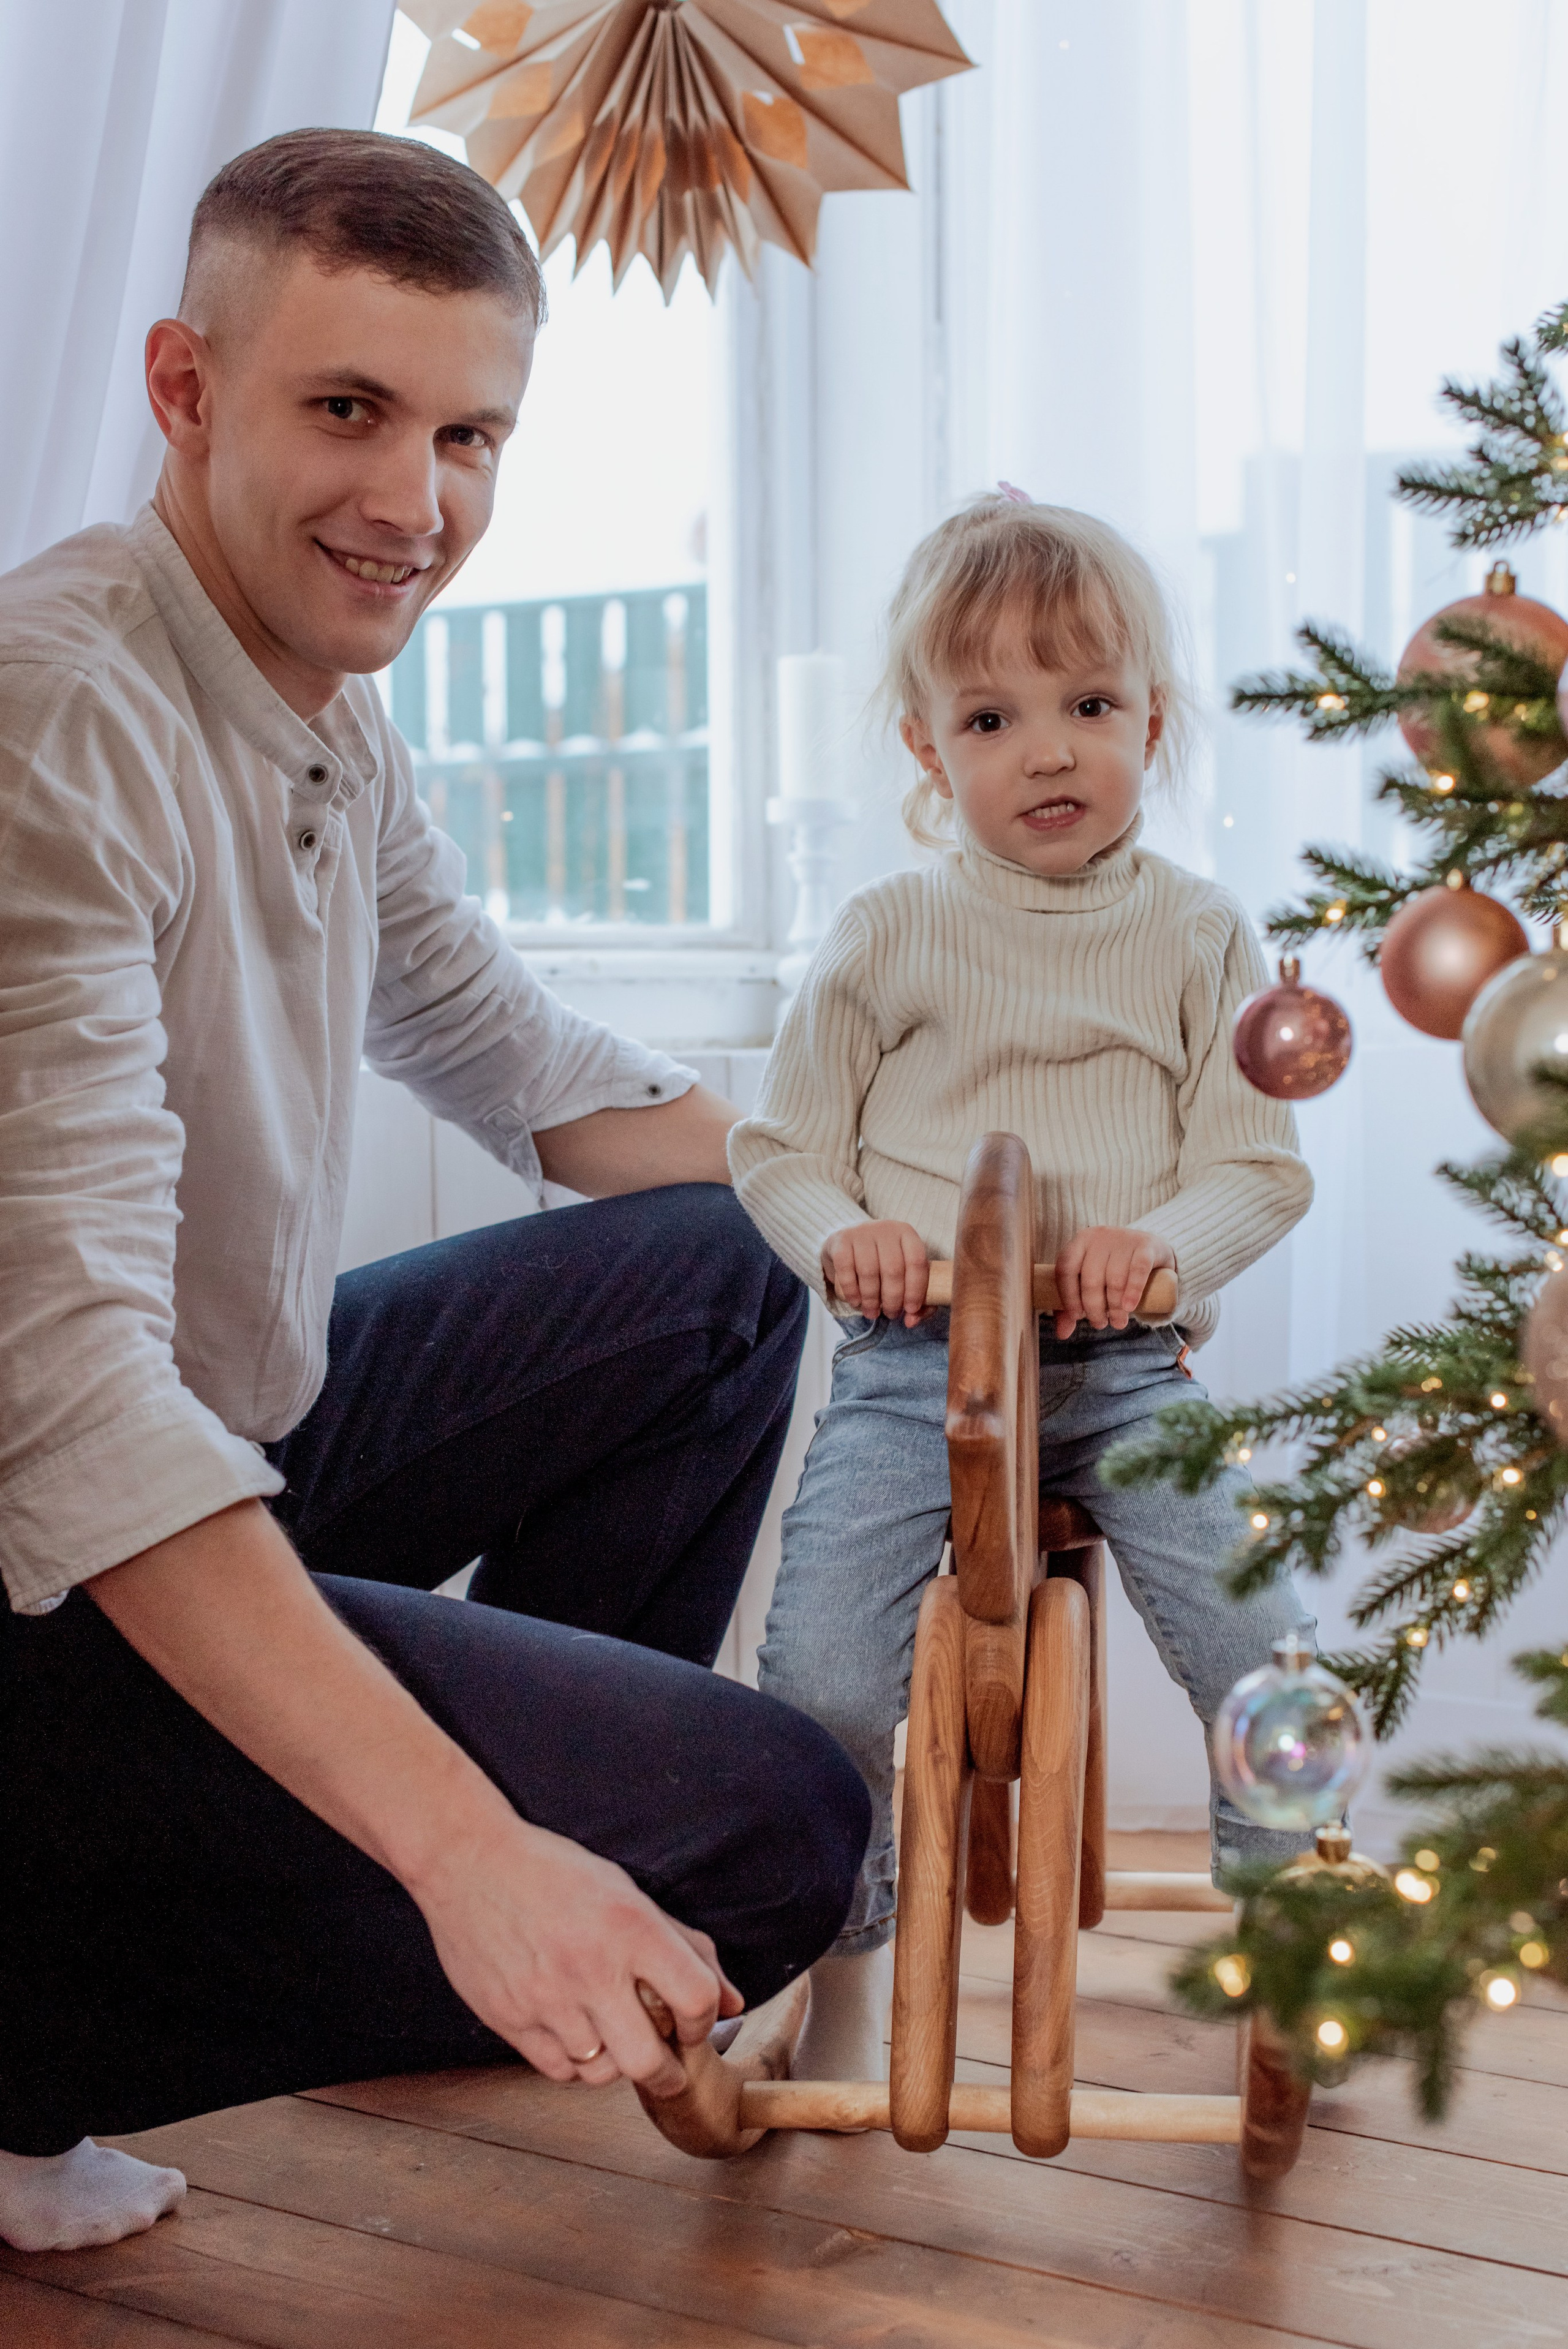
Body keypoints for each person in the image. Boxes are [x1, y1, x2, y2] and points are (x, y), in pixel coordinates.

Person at [0, 128, 870, 2254]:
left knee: (722, 1266)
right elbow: (71, 1409)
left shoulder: (317, 711)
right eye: (348, 409)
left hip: (231, 1448)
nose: (417, 503)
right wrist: (470, 1844)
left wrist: (900, 1201)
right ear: (186, 388)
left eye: (469, 435)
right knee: (779, 1830)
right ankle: (49, 2021)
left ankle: (430, 1876)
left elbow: (518, 1057)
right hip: (44, 1572)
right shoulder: (52, 726)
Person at [726, 492, 1317, 2083]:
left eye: (1090, 705)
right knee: (822, 1680)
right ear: (929, 749)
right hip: (914, 1366)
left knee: (1274, 1649)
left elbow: (1259, 1166)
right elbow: (778, 1150)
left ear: (1153, 721)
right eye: (993, 718)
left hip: (1120, 1371)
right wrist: (844, 1235)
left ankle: (1287, 1954)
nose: (1049, 751)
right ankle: (843, 1977)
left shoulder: (1200, 934)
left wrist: (1164, 1245)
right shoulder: (889, 932)